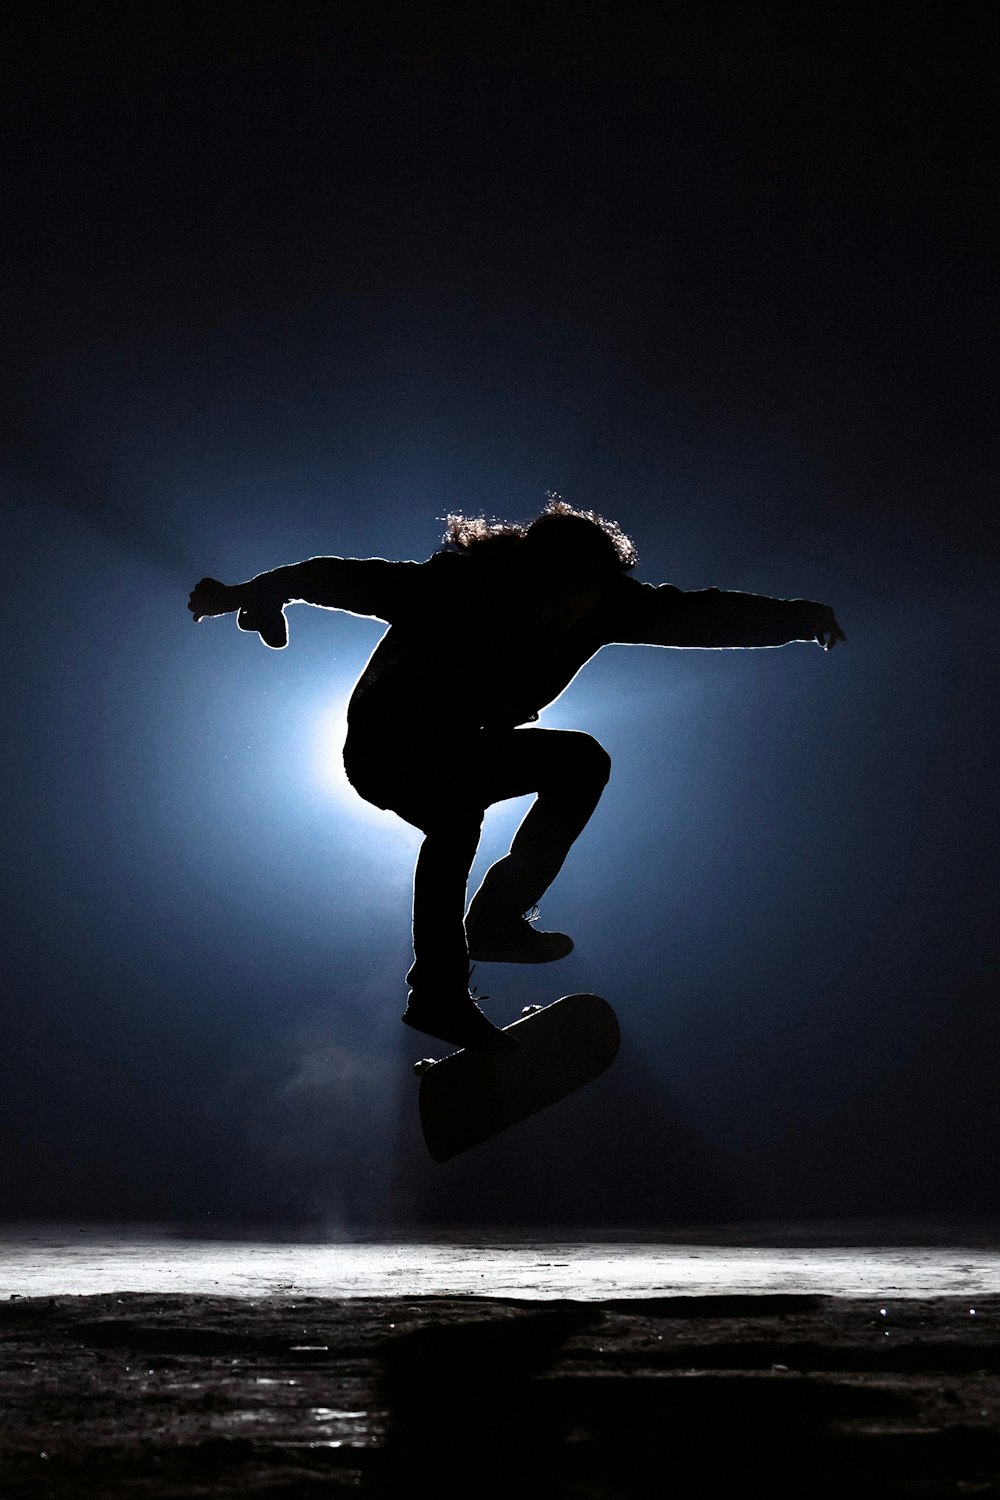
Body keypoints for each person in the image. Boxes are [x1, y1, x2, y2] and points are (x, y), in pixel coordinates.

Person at [188, 498, 845, 1051]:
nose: (562, 621)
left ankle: (496, 921)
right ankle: (439, 994)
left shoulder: (609, 606)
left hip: (464, 749)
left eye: (577, 609)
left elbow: (701, 615)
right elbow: (331, 575)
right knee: (455, 814)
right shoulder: (452, 589)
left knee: (580, 760)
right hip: (386, 749)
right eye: (550, 604)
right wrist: (249, 596)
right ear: (526, 578)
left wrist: (798, 617)